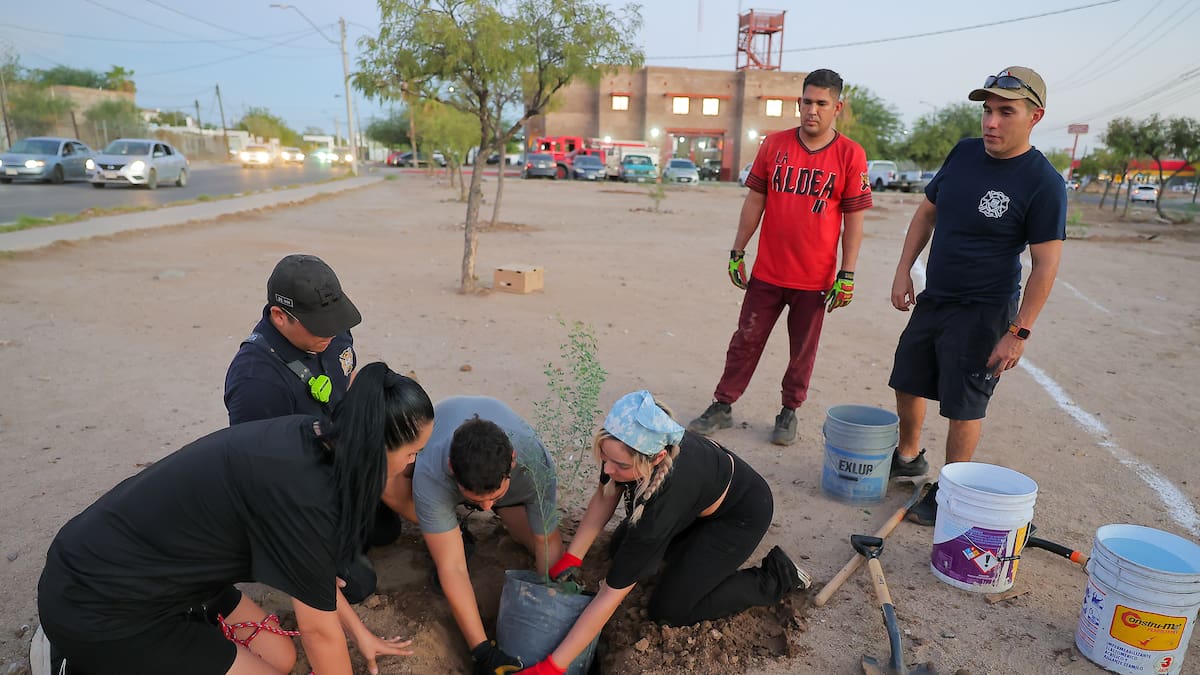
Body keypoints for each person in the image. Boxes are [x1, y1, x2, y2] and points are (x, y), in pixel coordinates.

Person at [37, 362, 435, 675]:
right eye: (411, 453)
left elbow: (314, 578)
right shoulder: (307, 497)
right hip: (101, 605)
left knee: (280, 657)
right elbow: (318, 633)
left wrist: (360, 633)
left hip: (169, 578)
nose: (411, 464)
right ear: (374, 448)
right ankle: (76, 663)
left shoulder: (317, 437)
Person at [516, 390, 810, 675]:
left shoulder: (659, 509)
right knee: (619, 548)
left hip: (738, 518)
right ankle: (684, 557)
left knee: (669, 610)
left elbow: (609, 596)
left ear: (656, 458)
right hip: (694, 506)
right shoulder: (626, 445)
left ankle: (776, 577)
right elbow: (606, 495)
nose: (609, 468)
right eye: (604, 457)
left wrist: (552, 666)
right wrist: (572, 557)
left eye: (620, 465)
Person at [887, 66, 1066, 526]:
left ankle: (950, 490)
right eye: (987, 111)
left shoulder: (1043, 182)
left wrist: (1018, 332)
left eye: (1006, 112)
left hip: (986, 309)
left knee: (963, 404)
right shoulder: (964, 153)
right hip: (937, 297)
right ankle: (908, 457)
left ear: (1035, 117)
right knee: (907, 379)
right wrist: (904, 270)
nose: (991, 122)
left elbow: (1045, 265)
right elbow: (926, 213)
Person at [688, 68, 873, 446]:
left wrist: (847, 274)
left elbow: (853, 220)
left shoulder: (850, 154)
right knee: (745, 340)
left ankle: (789, 411)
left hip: (815, 279)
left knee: (802, 351)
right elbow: (755, 200)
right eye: (807, 102)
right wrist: (738, 250)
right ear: (799, 103)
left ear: (837, 107)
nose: (812, 110)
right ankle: (723, 404)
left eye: (821, 103)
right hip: (768, 272)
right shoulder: (774, 145)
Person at [223, 253, 399, 600]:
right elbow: (259, 477)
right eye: (320, 326)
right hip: (295, 485)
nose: (332, 332)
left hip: (334, 462)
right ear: (279, 316)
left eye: (335, 321)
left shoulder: (331, 330)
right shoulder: (255, 380)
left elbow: (346, 379)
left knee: (385, 528)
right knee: (356, 586)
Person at [399, 396, 563, 675]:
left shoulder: (535, 464)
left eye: (493, 498)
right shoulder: (432, 472)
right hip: (441, 456)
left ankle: (496, 502)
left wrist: (550, 605)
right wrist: (482, 651)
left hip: (513, 479)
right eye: (477, 500)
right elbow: (452, 567)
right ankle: (455, 527)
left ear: (512, 461)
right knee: (399, 489)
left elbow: (546, 540)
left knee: (526, 535)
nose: (486, 509)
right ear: (452, 468)